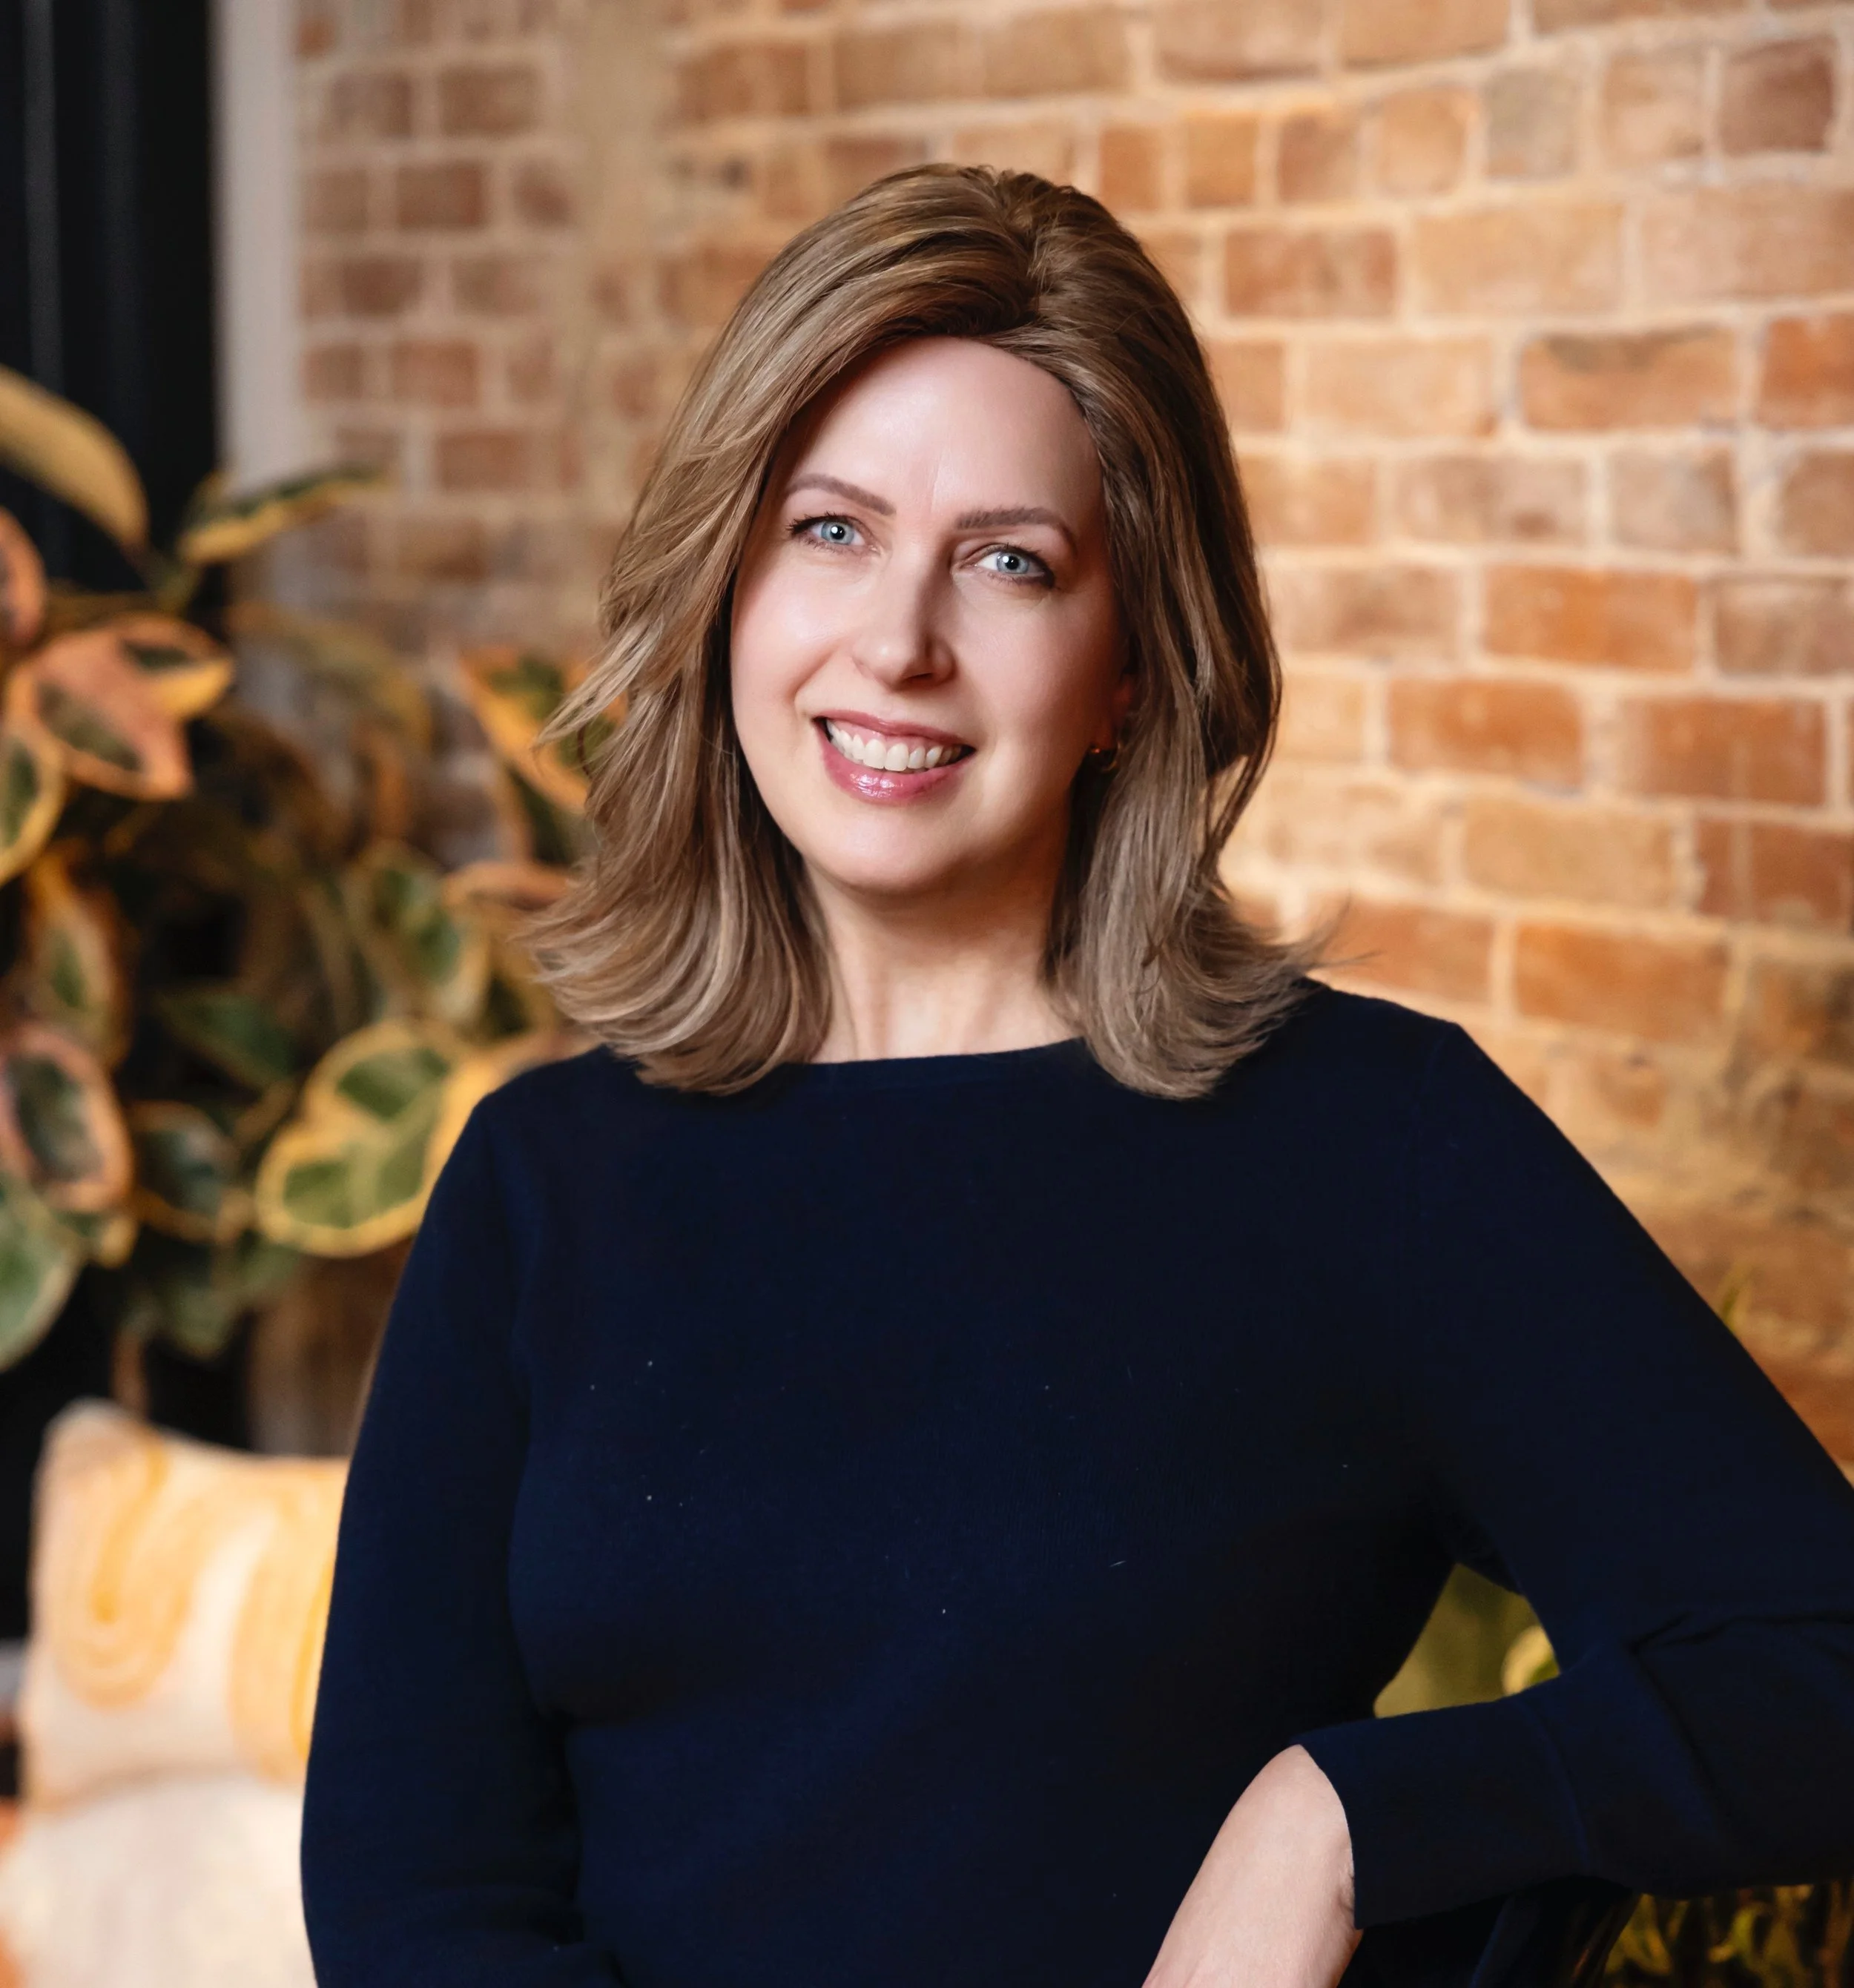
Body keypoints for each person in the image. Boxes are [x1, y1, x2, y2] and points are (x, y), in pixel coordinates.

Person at [300, 167, 1854, 1988]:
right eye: (829, 529)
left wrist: (1338, 1823)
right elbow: (413, 1898)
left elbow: (1815, 1659)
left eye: (1008, 561)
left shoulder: (1364, 1142)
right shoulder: (542, 1181)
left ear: (1129, 670)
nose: (898, 642)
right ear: (725, 588)